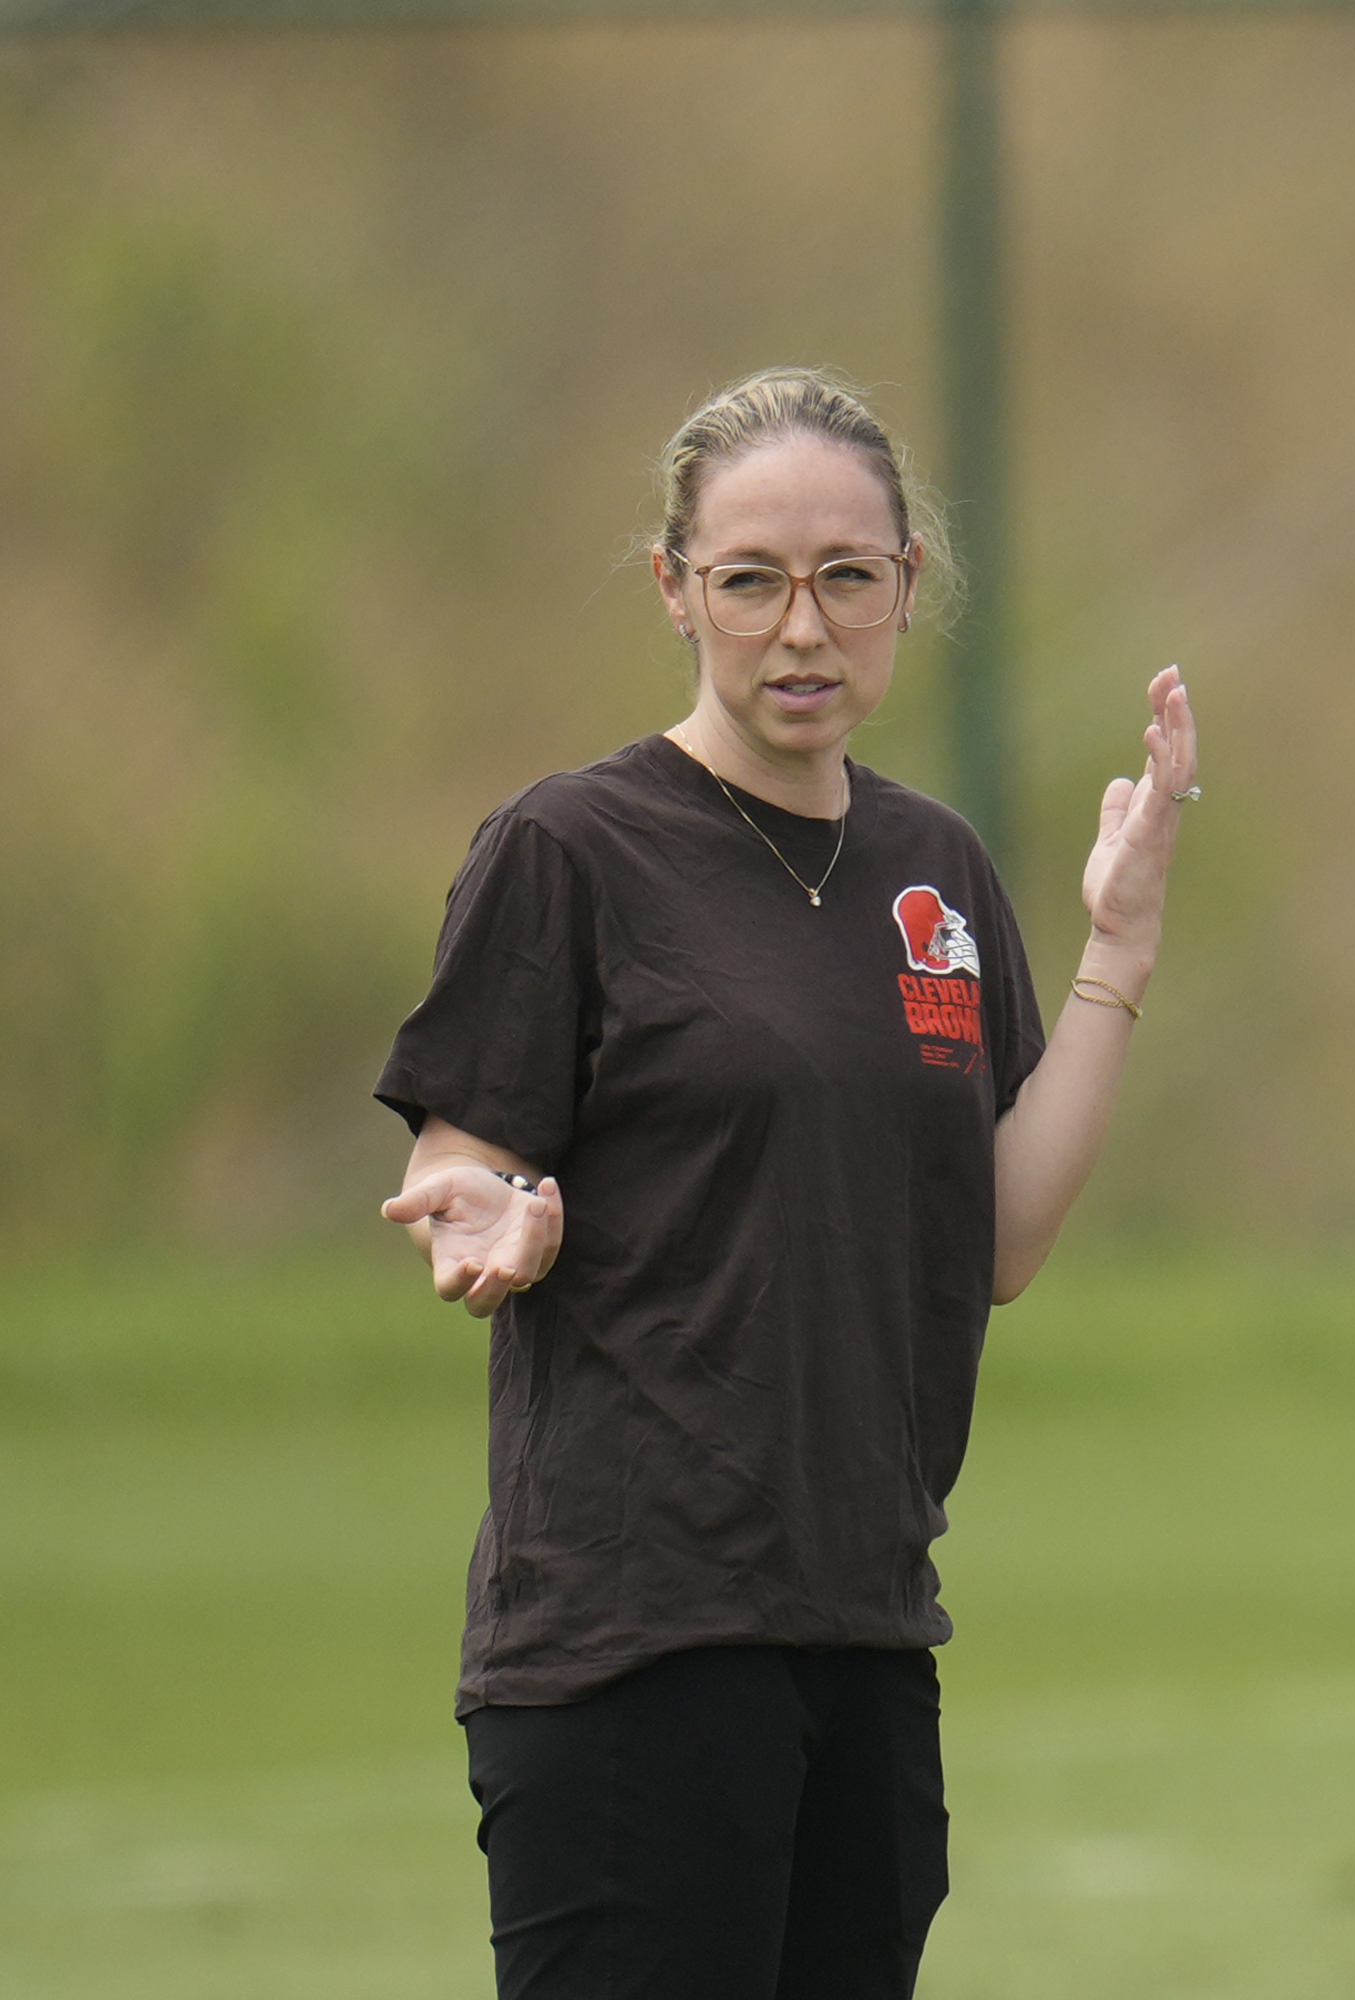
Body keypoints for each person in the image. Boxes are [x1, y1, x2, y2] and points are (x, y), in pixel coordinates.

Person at [372, 367, 1199, 1999]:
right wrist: (486, 1210)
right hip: (632, 1642)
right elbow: (460, 1153)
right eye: (751, 581)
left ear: (909, 588)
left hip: (870, 1630)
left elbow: (1002, 1239)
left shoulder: (935, 869)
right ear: (678, 592)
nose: (800, 628)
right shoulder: (571, 848)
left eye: (848, 579)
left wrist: (1118, 947)